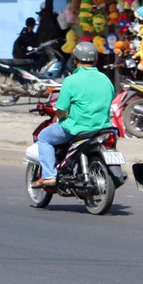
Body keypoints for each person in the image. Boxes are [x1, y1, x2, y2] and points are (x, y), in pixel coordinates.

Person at [34, 42, 116, 187]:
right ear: (95, 59)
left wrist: (62, 118)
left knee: (43, 137)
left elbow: (61, 109)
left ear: (75, 59)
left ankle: (49, 176)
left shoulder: (71, 81)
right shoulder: (106, 79)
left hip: (77, 128)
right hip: (103, 127)